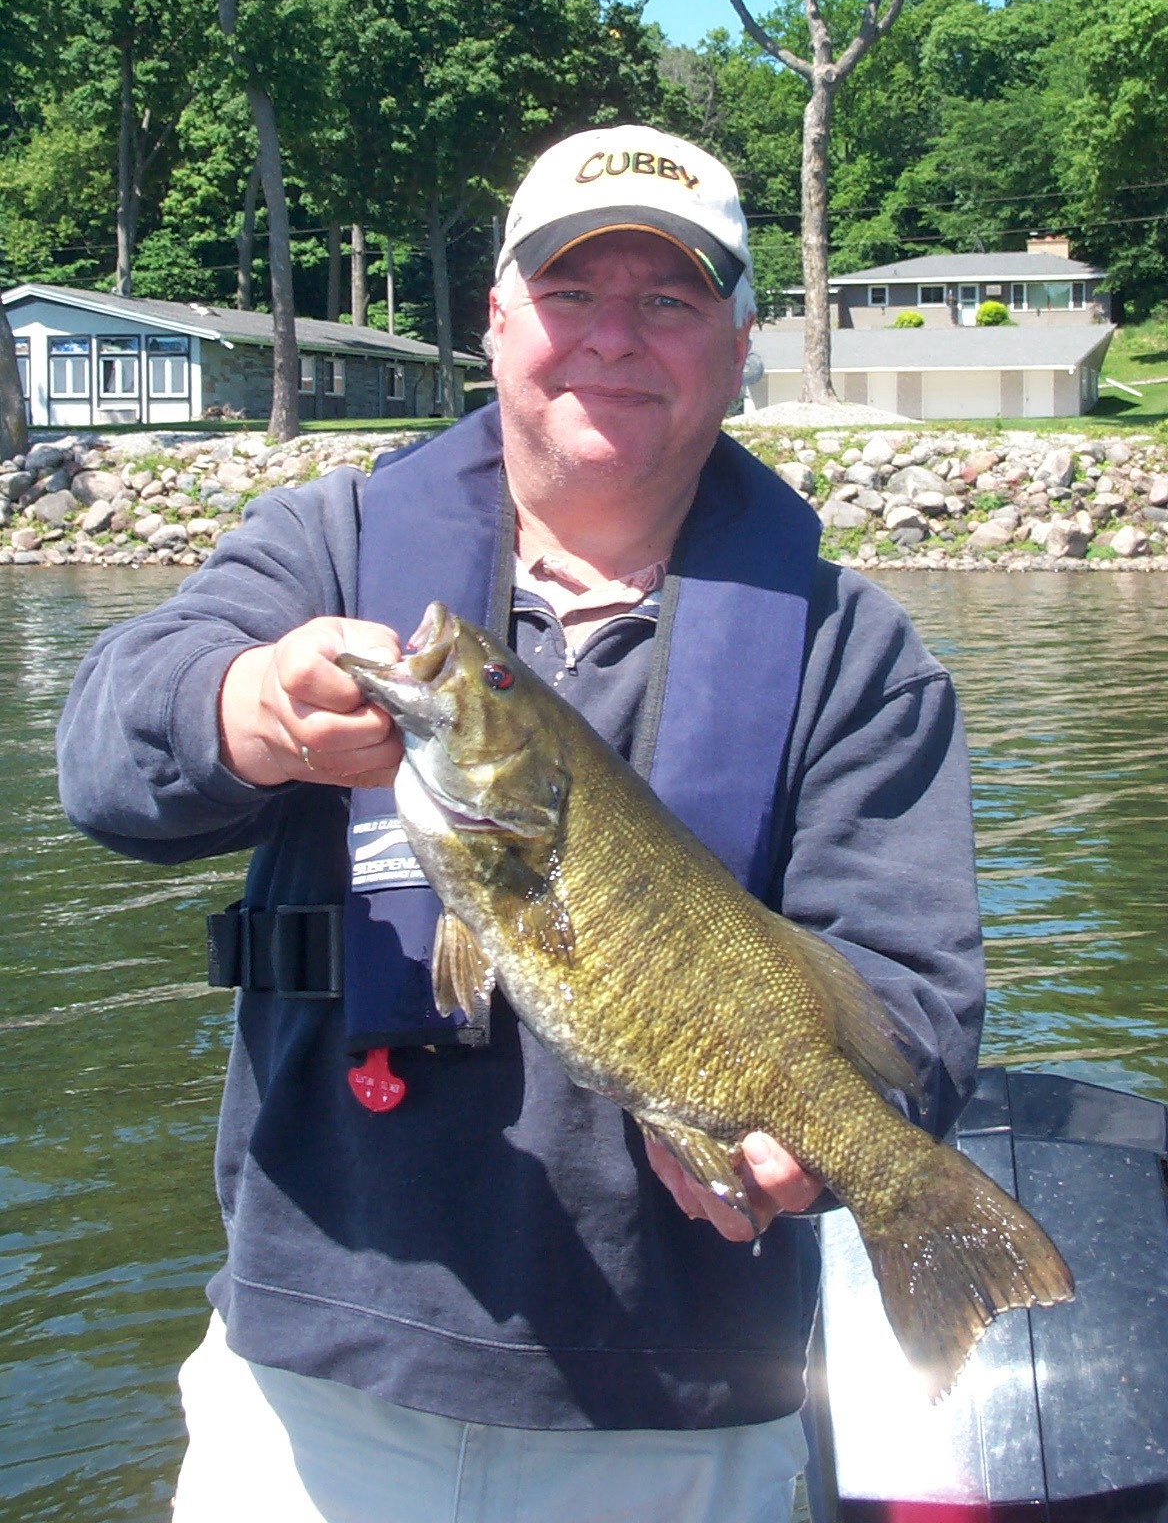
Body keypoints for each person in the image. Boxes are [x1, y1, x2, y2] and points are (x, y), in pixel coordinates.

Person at [57, 124, 984, 1523]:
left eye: (668, 299)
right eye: (570, 292)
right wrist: (244, 707)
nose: (613, 336)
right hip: (321, 1390)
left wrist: (824, 1146)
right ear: (495, 320)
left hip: (677, 1414)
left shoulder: (854, 655)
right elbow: (106, 757)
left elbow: (910, 998)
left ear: (740, 345)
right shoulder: (330, 547)